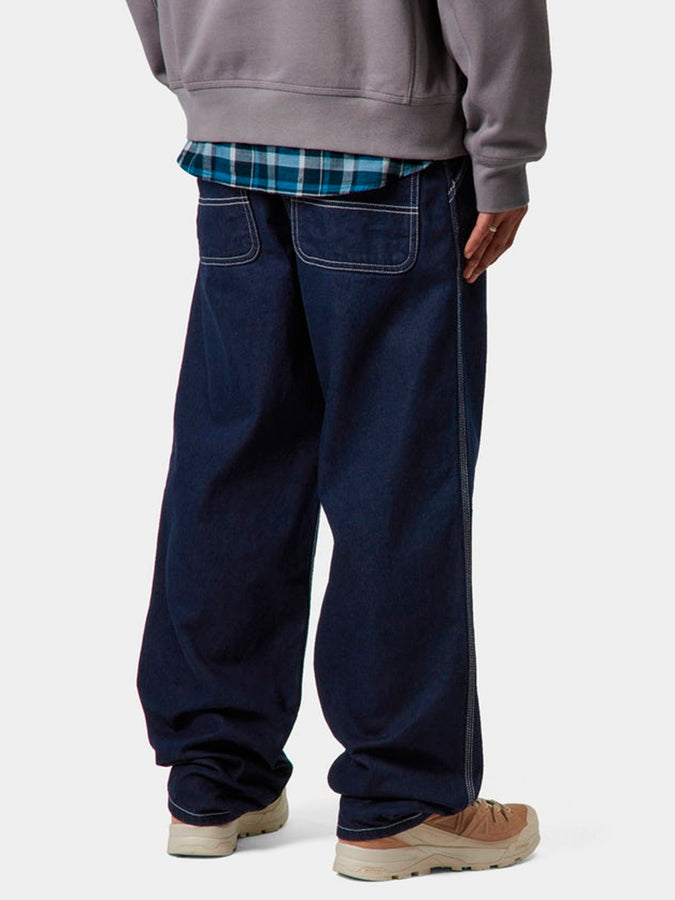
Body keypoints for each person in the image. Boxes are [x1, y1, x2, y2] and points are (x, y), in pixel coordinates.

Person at [125, 0, 552, 881]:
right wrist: (503, 152)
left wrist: (205, 75)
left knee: (232, 466)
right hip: (389, 151)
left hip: (231, 143)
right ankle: (404, 800)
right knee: (395, 484)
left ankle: (214, 779)